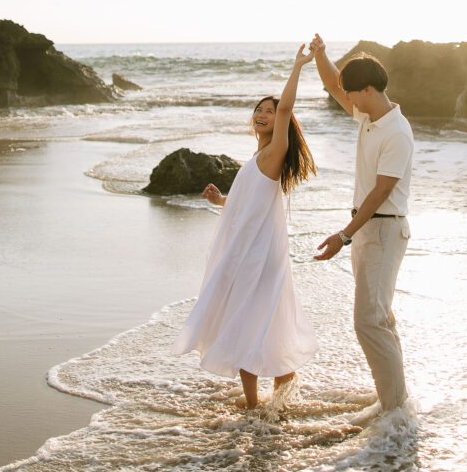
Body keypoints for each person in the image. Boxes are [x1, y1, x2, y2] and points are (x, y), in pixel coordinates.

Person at [172, 44, 319, 410]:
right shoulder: (257, 158)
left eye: (269, 111)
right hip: (254, 252)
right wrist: (221, 201)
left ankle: (255, 407)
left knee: (243, 325)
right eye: (259, 109)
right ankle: (283, 394)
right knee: (260, 324)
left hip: (256, 256)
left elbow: (287, 107)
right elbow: (249, 206)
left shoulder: (274, 153)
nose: (264, 113)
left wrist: (298, 65)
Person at [311, 34, 413, 414]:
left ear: (368, 90)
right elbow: (332, 84)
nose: (347, 99)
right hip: (370, 228)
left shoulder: (396, 132)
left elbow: (381, 192)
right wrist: (321, 55)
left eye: (353, 94)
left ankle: (394, 411)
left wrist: (344, 236)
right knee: (380, 319)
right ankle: (395, 401)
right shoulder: (371, 116)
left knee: (368, 322)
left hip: (384, 229)